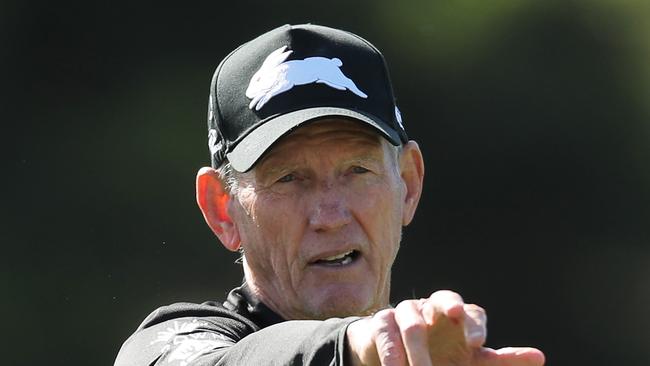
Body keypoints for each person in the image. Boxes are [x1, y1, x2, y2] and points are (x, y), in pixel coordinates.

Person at [114, 23, 545, 366]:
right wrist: (355, 345)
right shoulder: (173, 344)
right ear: (222, 209)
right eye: (288, 178)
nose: (330, 214)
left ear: (409, 185)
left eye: (357, 170)